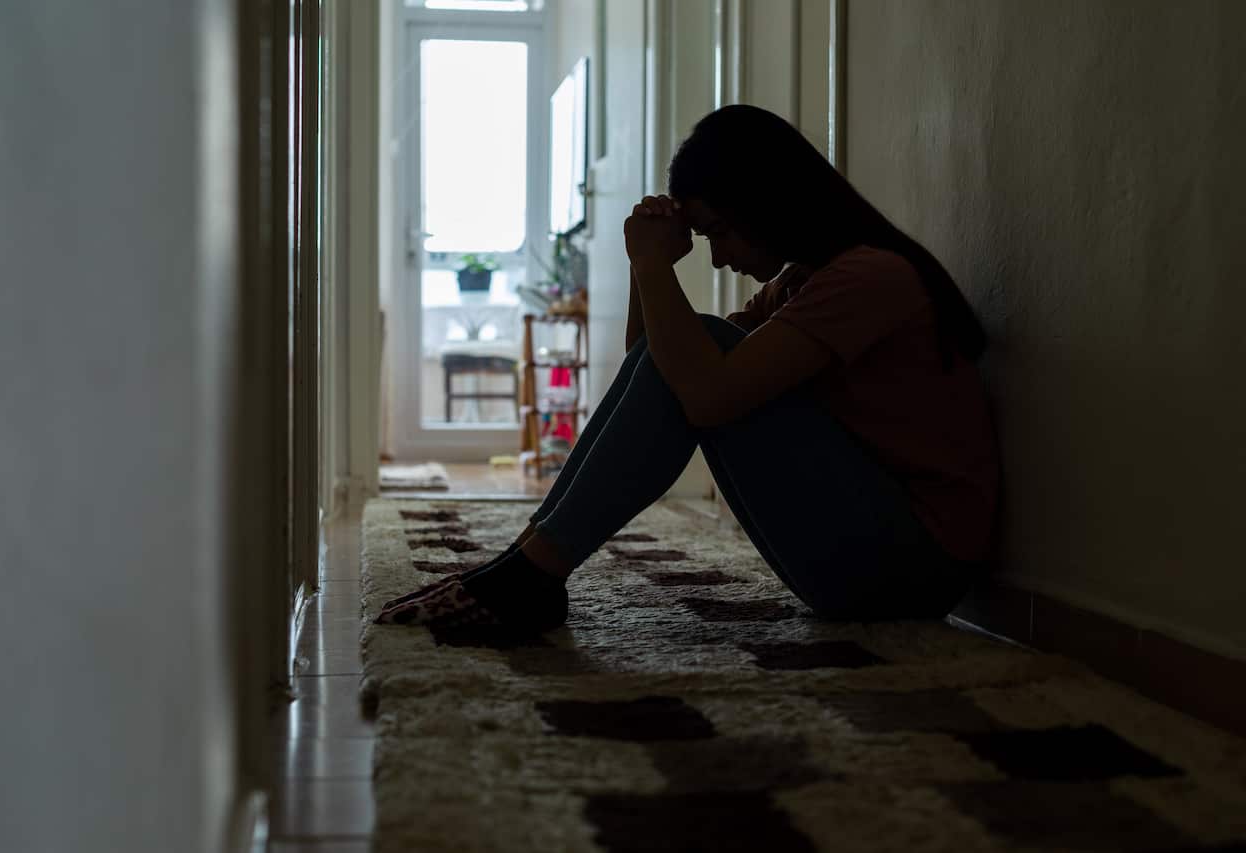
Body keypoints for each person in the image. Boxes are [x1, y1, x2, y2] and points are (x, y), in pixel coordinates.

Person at [376, 104, 999, 636]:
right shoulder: (800, 287)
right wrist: (641, 266)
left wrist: (655, 268)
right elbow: (658, 375)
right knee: (696, 345)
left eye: (719, 232)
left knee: (704, 341)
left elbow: (700, 392)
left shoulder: (869, 277)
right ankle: (528, 563)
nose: (721, 257)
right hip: (864, 557)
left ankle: (530, 575)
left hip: (914, 569)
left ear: (768, 202)